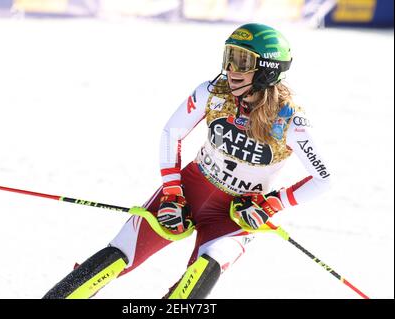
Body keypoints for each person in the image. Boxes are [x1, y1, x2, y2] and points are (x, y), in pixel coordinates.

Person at [42, 23, 332, 299]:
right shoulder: (213, 91)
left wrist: (272, 204)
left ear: (267, 69)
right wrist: (172, 192)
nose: (231, 70)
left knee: (201, 276)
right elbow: (171, 133)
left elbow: (324, 179)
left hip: (233, 215)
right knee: (118, 257)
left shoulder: (290, 120)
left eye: (242, 62)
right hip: (189, 191)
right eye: (229, 57)